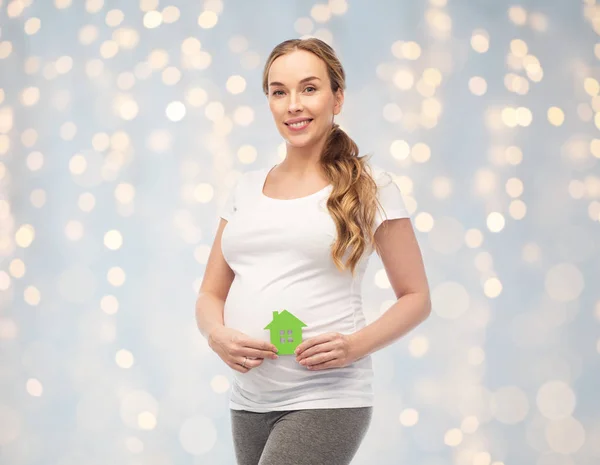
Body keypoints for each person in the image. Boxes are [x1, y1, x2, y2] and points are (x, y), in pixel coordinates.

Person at [196, 38, 431, 465]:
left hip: (328, 396)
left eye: (309, 88)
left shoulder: (371, 187)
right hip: (249, 401)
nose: (293, 105)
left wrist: (355, 347)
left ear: (337, 98)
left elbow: (416, 297)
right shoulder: (244, 188)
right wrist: (217, 335)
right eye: (278, 91)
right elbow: (210, 293)